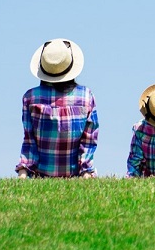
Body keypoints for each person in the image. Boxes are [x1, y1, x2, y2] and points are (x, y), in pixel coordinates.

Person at [15, 38, 99, 178]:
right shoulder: (86, 96)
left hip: (41, 176)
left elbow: (29, 141)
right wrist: (86, 171)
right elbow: (88, 141)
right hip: (75, 176)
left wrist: (23, 172)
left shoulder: (30, 97)